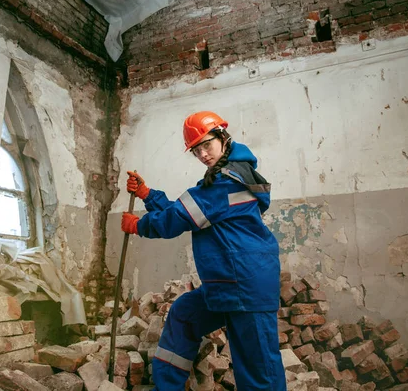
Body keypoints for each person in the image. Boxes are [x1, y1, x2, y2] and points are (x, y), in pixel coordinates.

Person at [120, 111, 286, 391]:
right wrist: (149, 195)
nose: (203, 155)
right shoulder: (222, 180)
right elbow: (189, 212)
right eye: (196, 150)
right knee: (185, 312)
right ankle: (168, 386)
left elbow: (179, 217)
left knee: (259, 370)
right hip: (228, 284)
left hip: (246, 285)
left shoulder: (228, 180)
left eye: (206, 145)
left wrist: (140, 225)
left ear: (223, 137)